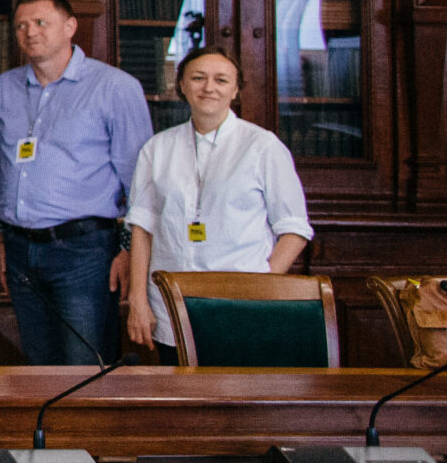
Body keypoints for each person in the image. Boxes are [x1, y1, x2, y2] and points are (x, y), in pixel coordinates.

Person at [0, 0, 153, 366]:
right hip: (19, 248)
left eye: (40, 23)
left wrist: (129, 250)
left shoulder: (115, 87)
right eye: (21, 26)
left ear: (70, 27)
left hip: (84, 251)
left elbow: (140, 180)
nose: (30, 32)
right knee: (39, 366)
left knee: (85, 365)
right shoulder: (5, 86)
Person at [124, 48, 311, 362]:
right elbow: (142, 229)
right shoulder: (158, 148)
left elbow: (294, 230)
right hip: (171, 305)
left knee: (239, 391)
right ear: (182, 85)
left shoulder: (262, 146)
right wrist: (138, 300)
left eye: (221, 80)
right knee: (179, 390)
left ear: (235, 90)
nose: (209, 87)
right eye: (198, 78)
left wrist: (261, 286)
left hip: (242, 306)